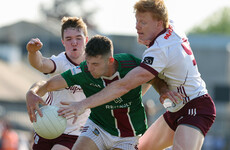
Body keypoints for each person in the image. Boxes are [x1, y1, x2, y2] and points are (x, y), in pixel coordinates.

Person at [57, 0, 217, 149]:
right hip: (176, 108)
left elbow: (123, 85)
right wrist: (163, 90)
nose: (137, 27)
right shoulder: (171, 27)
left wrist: (82, 104)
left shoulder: (159, 50)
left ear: (159, 23)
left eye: (143, 22)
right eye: (137, 21)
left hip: (196, 107)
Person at [26, 35, 177, 150]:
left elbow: (153, 78)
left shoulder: (130, 63)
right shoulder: (83, 70)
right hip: (98, 127)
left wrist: (163, 91)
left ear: (110, 61)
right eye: (88, 62)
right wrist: (31, 93)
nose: (90, 68)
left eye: (95, 64)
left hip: (129, 135)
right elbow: (48, 85)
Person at [26, 16, 90, 150]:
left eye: (78, 38)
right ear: (63, 42)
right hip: (47, 125)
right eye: (69, 39)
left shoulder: (94, 65)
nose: (74, 42)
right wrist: (33, 52)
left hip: (75, 132)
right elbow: (41, 63)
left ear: (86, 40)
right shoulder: (61, 61)